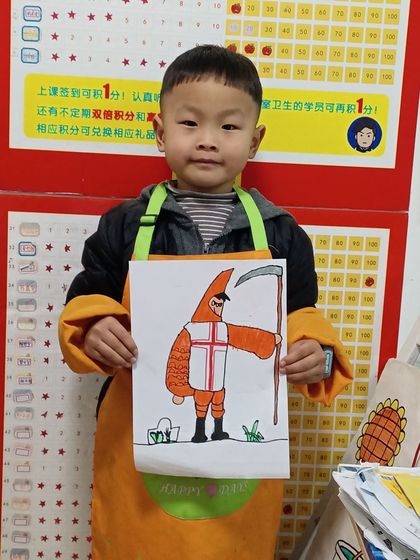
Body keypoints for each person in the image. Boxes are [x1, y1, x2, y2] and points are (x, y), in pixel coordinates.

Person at [59, 44, 352, 560]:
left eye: (229, 127)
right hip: (138, 450)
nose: (208, 140)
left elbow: (303, 318)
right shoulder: (124, 225)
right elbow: (88, 297)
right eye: (190, 123)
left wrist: (317, 354)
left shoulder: (282, 235)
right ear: (159, 132)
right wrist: (96, 326)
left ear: (255, 140)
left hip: (240, 462)